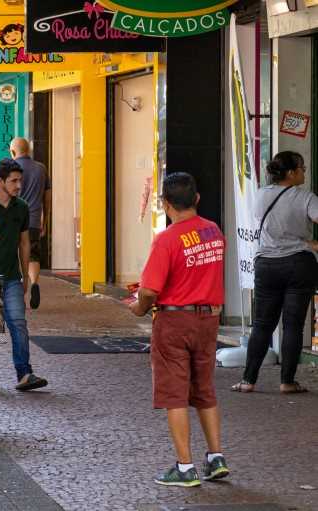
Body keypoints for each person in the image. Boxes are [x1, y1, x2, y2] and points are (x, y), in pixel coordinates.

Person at [129, 172, 229, 487]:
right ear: (196, 199)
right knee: (204, 389)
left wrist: (139, 308)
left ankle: (185, 467)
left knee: (175, 394)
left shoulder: (167, 239)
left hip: (174, 321)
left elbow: (148, 291)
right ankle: (216, 457)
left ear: (165, 203)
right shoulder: (214, 232)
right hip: (208, 320)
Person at [233, 151, 318, 394]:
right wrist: (310, 243)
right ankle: (287, 382)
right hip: (298, 264)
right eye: (302, 168)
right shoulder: (305, 198)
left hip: (267, 265)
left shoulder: (260, 195)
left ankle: (248, 380)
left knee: (262, 324)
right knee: (293, 325)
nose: (304, 172)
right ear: (291, 173)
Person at [0, 158, 48, 392]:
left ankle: (24, 373)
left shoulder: (22, 207)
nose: (18, 185)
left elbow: (24, 243)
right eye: (13, 181)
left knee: (18, 323)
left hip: (12, 277)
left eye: (20, 180)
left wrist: (26, 275)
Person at [11, 137, 51, 309]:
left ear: (13, 152)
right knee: (33, 255)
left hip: (13, 220)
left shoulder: (10, 168)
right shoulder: (41, 169)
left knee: (14, 257)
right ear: (29, 150)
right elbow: (47, 197)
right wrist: (45, 218)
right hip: (34, 220)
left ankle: (19, 295)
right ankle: (34, 283)